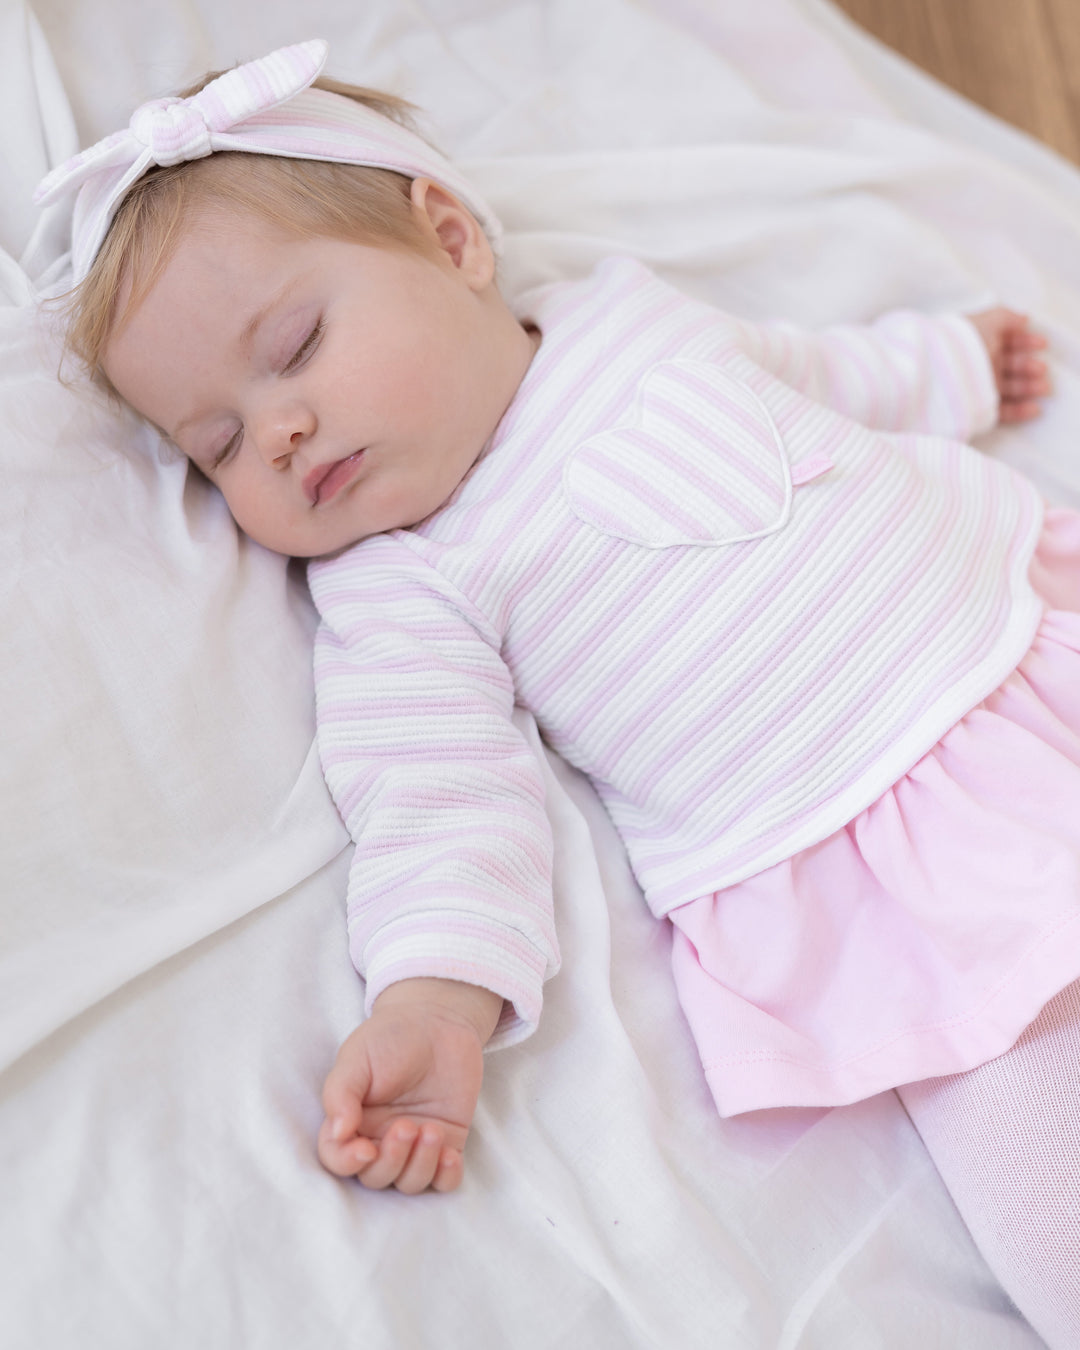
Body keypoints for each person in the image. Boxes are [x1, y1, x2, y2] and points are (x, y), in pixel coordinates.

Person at [37, 40, 1079, 1344]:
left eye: (295, 345)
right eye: (220, 444)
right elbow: (440, 798)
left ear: (454, 236)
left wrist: (956, 365)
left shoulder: (625, 312)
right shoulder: (402, 580)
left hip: (1018, 641)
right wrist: (433, 997)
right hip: (867, 864)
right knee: (1035, 1145)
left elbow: (811, 377)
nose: (279, 431)